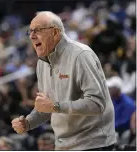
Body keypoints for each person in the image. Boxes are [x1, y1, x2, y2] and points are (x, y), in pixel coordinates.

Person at [11, 11, 117, 150]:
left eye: (38, 31)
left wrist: (56, 106)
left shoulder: (80, 55)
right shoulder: (42, 63)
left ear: (55, 32)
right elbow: (46, 107)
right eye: (30, 31)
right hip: (63, 146)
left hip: (94, 143)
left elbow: (97, 104)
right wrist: (28, 123)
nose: (31, 36)